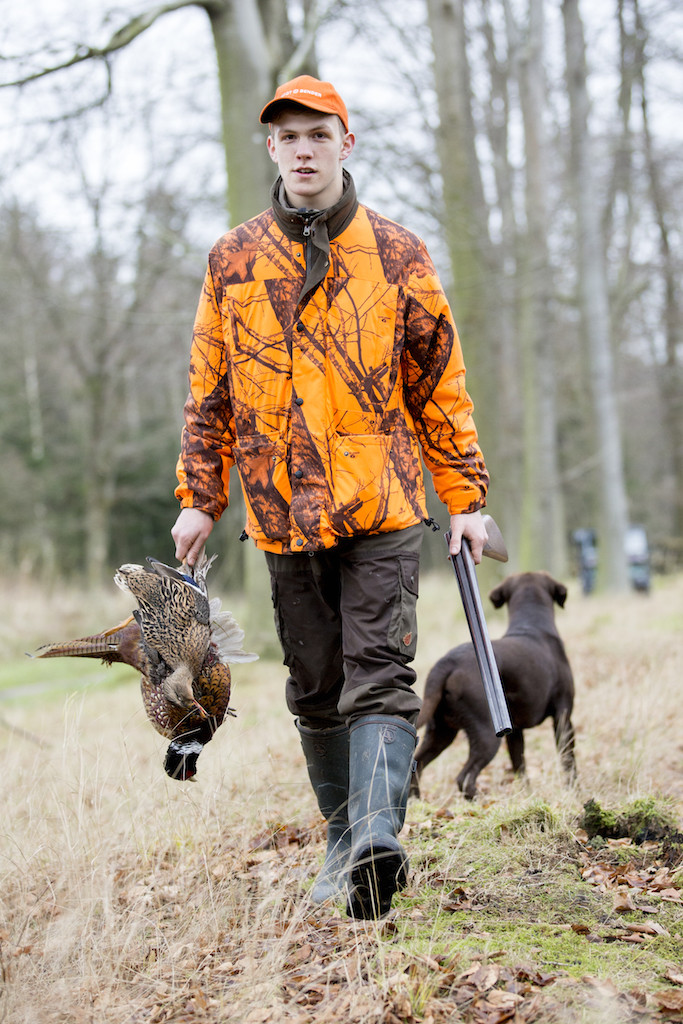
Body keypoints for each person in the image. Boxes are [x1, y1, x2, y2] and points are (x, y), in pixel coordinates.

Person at [171, 76, 489, 920]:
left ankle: (380, 839)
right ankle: (343, 837)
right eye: (288, 138)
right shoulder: (233, 260)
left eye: (319, 135)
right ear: (269, 149)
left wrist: (464, 498)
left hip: (381, 503)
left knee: (378, 677)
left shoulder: (397, 253)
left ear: (346, 144)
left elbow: (439, 387)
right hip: (278, 511)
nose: (304, 150)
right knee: (313, 685)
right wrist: (201, 496)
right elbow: (211, 391)